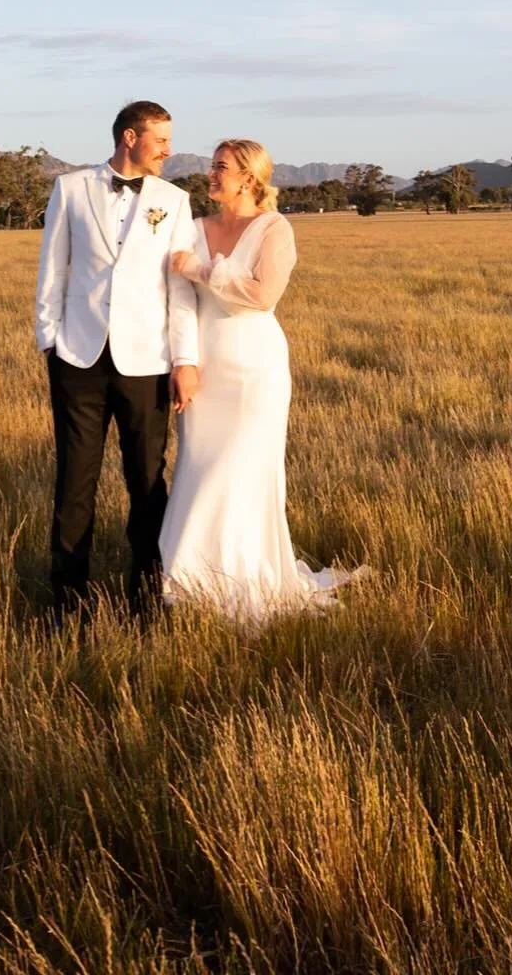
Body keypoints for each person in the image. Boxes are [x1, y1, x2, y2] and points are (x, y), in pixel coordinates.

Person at [159, 138, 361, 622]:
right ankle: (190, 576)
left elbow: (262, 296)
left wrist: (202, 270)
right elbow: (179, 299)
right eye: (211, 166)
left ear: (249, 178)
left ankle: (246, 573)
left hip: (255, 369)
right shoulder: (193, 227)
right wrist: (182, 361)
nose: (211, 174)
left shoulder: (274, 228)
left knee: (243, 468)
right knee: (200, 465)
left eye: (221, 168)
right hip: (204, 367)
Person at [34, 99, 200, 619]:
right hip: (77, 359)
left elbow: (180, 289)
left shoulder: (175, 201)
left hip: (147, 363)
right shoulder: (70, 189)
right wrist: (50, 341)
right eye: (161, 140)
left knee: (147, 482)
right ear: (130, 137)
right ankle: (68, 602)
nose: (169, 151)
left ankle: (147, 599)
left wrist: (184, 360)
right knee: (74, 481)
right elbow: (53, 270)